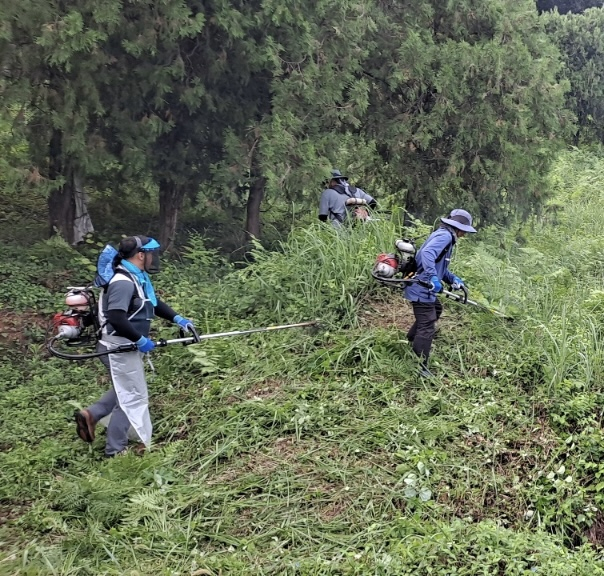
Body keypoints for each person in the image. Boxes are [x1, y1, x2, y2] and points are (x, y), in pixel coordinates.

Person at [74, 235, 195, 457]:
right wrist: (140, 340)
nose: (152, 258)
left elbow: (153, 303)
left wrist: (179, 319)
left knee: (125, 389)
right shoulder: (123, 282)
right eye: (150, 254)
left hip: (125, 346)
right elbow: (117, 318)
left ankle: (92, 414)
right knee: (131, 396)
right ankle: (115, 450)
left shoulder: (135, 277)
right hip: (117, 347)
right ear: (141, 255)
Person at [404, 209, 477, 377]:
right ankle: (420, 366)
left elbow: (439, 266)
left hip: (423, 284)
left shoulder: (445, 236)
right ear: (458, 228)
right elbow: (427, 254)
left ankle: (411, 340)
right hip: (421, 285)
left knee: (435, 310)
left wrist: (452, 279)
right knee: (427, 324)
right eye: (465, 230)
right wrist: (432, 278)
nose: (465, 234)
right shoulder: (445, 237)